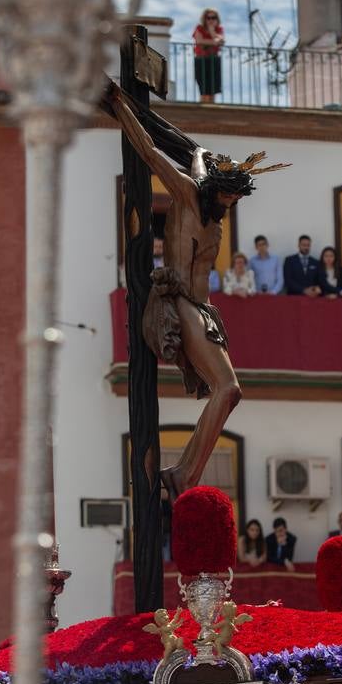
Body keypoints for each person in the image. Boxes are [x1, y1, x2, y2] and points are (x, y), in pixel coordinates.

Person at [105, 82, 289, 496]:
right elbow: (151, 152)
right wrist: (120, 105)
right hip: (181, 303)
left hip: (205, 311)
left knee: (229, 393)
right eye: (227, 193)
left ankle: (185, 471)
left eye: (236, 197)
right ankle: (185, 475)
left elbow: (199, 158)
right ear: (213, 188)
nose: (230, 202)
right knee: (229, 389)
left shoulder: (215, 212)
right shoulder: (188, 195)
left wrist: (203, 154)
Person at [193, 8, 225, 103]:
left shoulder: (219, 29)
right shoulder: (199, 28)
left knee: (213, 89)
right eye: (208, 18)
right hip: (201, 60)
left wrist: (212, 31)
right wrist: (214, 42)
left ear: (217, 19)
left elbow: (221, 41)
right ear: (205, 18)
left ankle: (211, 108)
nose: (211, 20)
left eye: (213, 18)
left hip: (214, 60)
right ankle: (203, 110)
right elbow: (199, 41)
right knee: (204, 89)